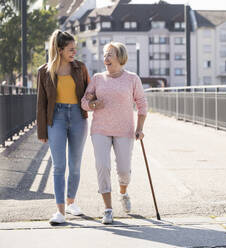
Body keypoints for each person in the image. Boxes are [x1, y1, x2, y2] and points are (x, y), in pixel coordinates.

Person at [81, 41, 147, 224]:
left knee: (124, 169)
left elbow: (141, 103)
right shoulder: (97, 79)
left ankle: (123, 193)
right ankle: (108, 209)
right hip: (100, 129)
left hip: (124, 130)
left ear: (120, 57)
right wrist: (94, 104)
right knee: (103, 166)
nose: (106, 58)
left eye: (110, 54)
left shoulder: (132, 79)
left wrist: (139, 128)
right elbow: (84, 103)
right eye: (104, 54)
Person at [36, 30, 90, 224]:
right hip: (55, 118)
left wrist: (94, 101)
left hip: (78, 117)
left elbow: (90, 92)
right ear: (59, 50)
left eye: (75, 49)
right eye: (70, 49)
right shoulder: (44, 71)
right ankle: (60, 212)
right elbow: (41, 103)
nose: (74, 52)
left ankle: (71, 202)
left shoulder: (80, 68)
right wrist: (42, 131)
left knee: (75, 165)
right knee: (59, 166)